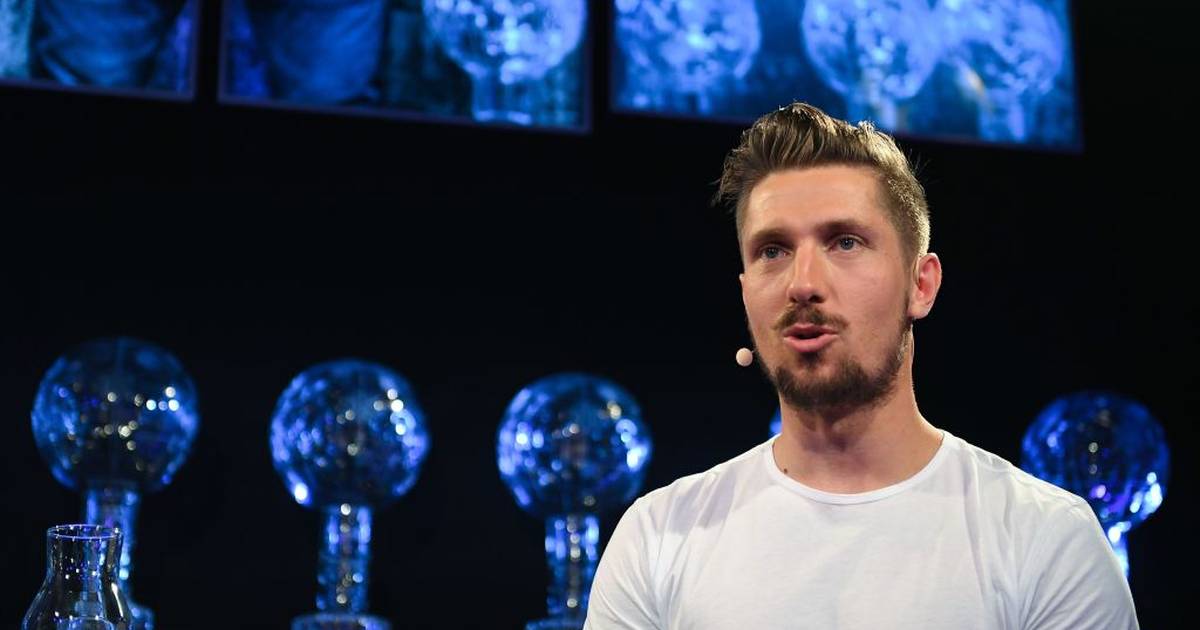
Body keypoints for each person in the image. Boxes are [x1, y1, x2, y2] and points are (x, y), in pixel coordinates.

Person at [584, 102, 1137, 629]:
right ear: (746, 291)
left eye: (845, 242)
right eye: (773, 250)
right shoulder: (658, 539)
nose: (803, 283)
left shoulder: (1046, 540)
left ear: (921, 284)